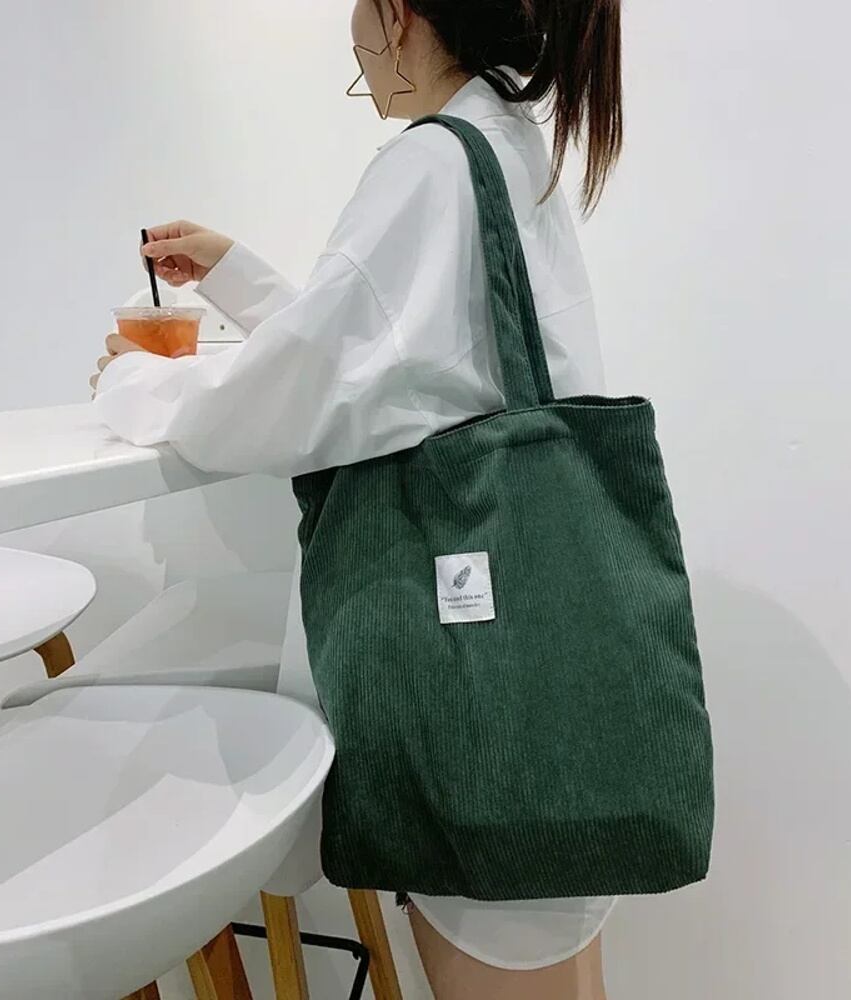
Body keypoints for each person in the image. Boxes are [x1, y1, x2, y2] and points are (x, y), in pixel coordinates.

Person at [92, 1, 623, 996]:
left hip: (474, 682)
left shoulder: (434, 161)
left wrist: (132, 384)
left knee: (504, 936)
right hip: (542, 645)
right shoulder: (504, 140)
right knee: (554, 948)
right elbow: (402, 357)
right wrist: (240, 278)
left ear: (400, 14)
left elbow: (294, 396)